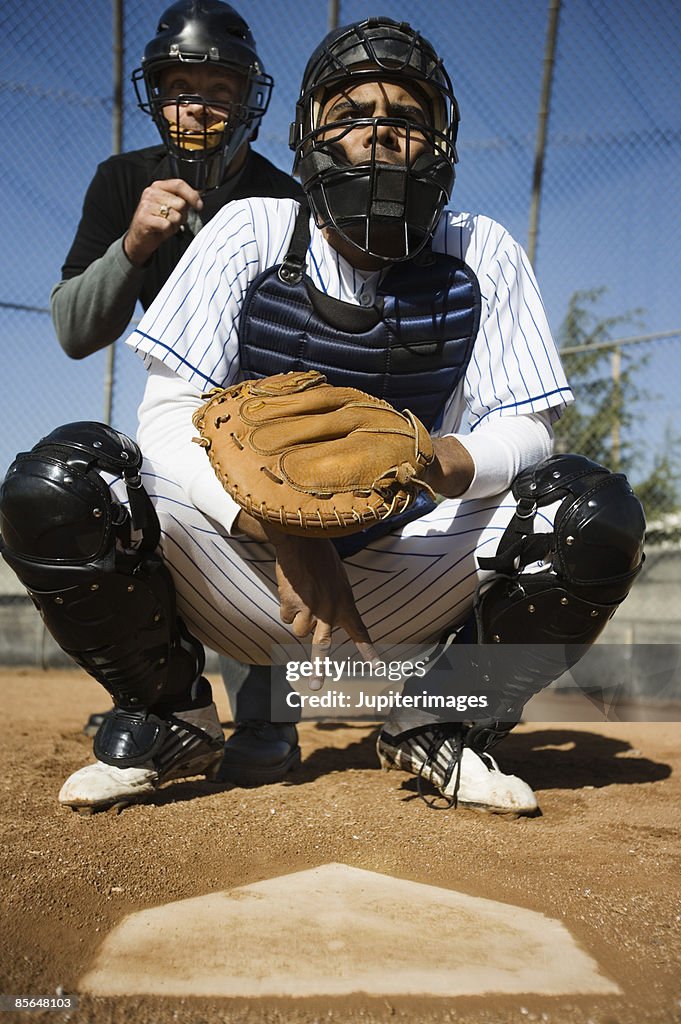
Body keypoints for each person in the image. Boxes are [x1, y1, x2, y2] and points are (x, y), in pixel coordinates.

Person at [1, 17, 645, 815]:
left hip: (405, 576)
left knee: (592, 512)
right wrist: (279, 521)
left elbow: (529, 427)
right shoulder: (252, 226)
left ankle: (440, 720)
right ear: (311, 135)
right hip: (248, 579)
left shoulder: (482, 249)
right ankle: (169, 709)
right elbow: (168, 419)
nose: (379, 133)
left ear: (437, 142)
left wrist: (443, 458)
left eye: (404, 118)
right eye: (353, 114)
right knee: (64, 482)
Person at [49, 0, 305, 786]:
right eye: (180, 87)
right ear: (156, 96)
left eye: (218, 88)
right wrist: (134, 244)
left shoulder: (287, 198)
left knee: (274, 520)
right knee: (118, 513)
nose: (198, 105)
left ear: (247, 99)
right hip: (175, 411)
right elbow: (72, 329)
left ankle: (267, 713)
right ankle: (170, 700)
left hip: (267, 413)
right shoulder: (123, 179)